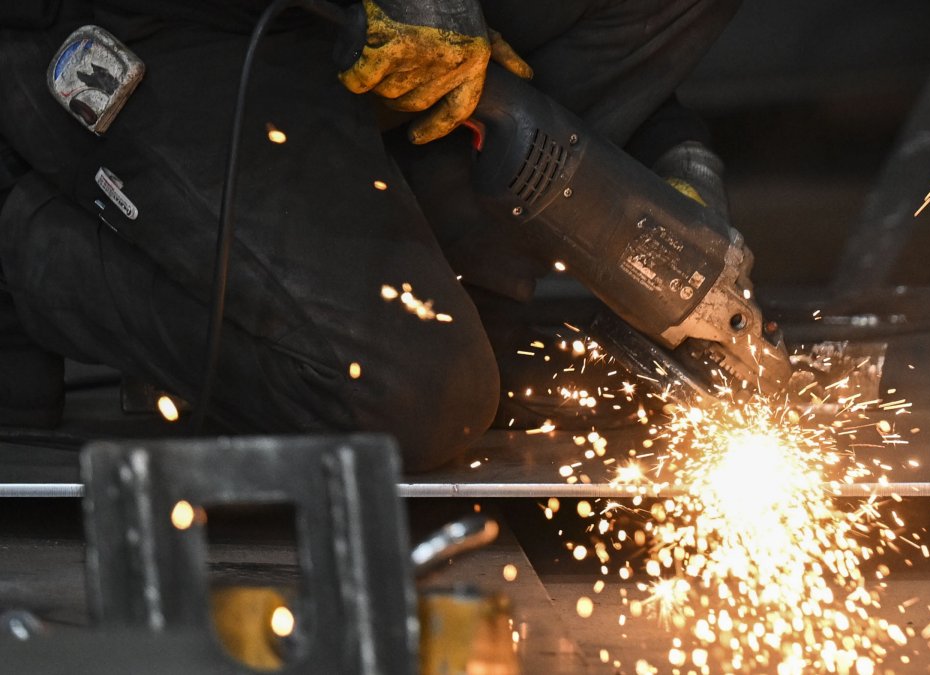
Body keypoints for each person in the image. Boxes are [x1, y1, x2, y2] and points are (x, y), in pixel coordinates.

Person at [0, 0, 740, 471]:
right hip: (174, 24)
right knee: (412, 395)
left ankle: (451, 286)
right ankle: (23, 235)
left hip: (355, 29)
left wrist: (674, 162)